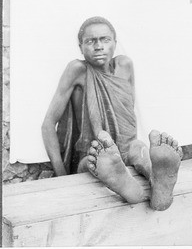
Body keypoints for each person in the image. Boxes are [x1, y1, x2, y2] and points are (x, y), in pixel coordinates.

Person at [41, 16, 183, 211]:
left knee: (140, 150)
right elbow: (48, 124)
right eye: (91, 41)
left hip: (126, 145)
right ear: (80, 46)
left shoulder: (125, 65)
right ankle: (121, 178)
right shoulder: (77, 69)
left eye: (105, 39)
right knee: (91, 163)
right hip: (95, 150)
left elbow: (127, 113)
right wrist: (62, 176)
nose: (98, 46)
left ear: (115, 43)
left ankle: (160, 182)